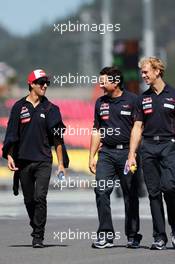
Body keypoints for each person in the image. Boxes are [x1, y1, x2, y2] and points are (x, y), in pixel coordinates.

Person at [2, 69, 69, 248]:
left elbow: (58, 139)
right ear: (31, 84)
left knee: (40, 197)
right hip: (23, 161)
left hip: (43, 161)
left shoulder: (51, 109)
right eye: (41, 82)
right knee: (29, 200)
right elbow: (11, 134)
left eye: (47, 83)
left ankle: (38, 236)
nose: (45, 85)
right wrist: (9, 155)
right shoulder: (18, 107)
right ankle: (35, 224)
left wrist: (61, 164)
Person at [89, 66, 142, 249]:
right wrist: (92, 156)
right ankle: (105, 235)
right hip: (106, 154)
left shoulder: (134, 100)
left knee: (130, 194)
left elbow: (138, 128)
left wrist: (132, 154)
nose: (101, 84)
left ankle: (133, 235)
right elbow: (96, 130)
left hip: (128, 154)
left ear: (116, 81)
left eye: (104, 80)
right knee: (101, 191)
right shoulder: (99, 102)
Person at [128, 57, 175, 250]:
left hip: (169, 146)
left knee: (170, 187)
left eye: (146, 71)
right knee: (154, 193)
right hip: (148, 148)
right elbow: (137, 127)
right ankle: (159, 236)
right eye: (142, 72)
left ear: (157, 71)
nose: (143, 75)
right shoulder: (142, 99)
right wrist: (132, 153)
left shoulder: (173, 94)